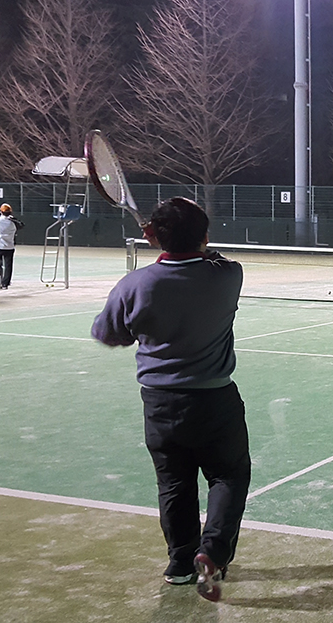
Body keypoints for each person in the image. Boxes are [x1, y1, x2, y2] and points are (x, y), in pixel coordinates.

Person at [91, 197, 249, 603]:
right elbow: (213, 257)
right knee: (228, 477)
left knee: (174, 484)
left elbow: (108, 334)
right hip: (216, 401)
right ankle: (211, 552)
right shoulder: (228, 276)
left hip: (161, 404)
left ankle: (180, 564)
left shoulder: (135, 284)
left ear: (153, 235)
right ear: (205, 235)